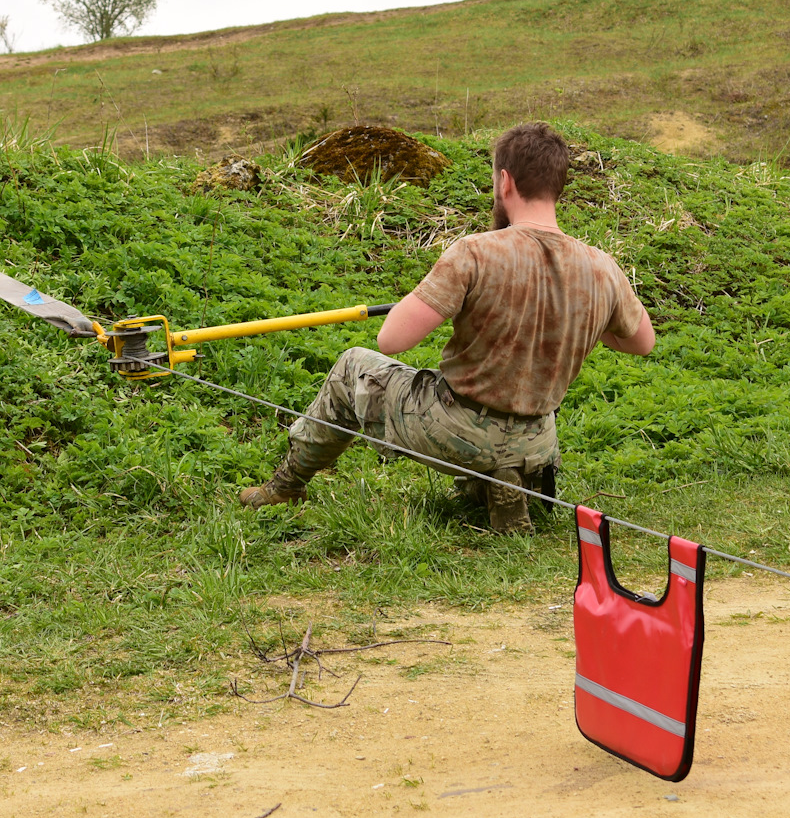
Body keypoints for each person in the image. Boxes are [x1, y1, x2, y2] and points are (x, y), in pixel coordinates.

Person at [240, 122, 656, 533]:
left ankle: (286, 486)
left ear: (505, 181)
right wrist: (584, 314)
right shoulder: (602, 268)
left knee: (353, 366)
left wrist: (433, 292)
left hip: (458, 433)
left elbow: (392, 339)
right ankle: (501, 482)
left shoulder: (475, 252)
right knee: (510, 437)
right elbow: (641, 343)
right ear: (558, 185)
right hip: (537, 441)